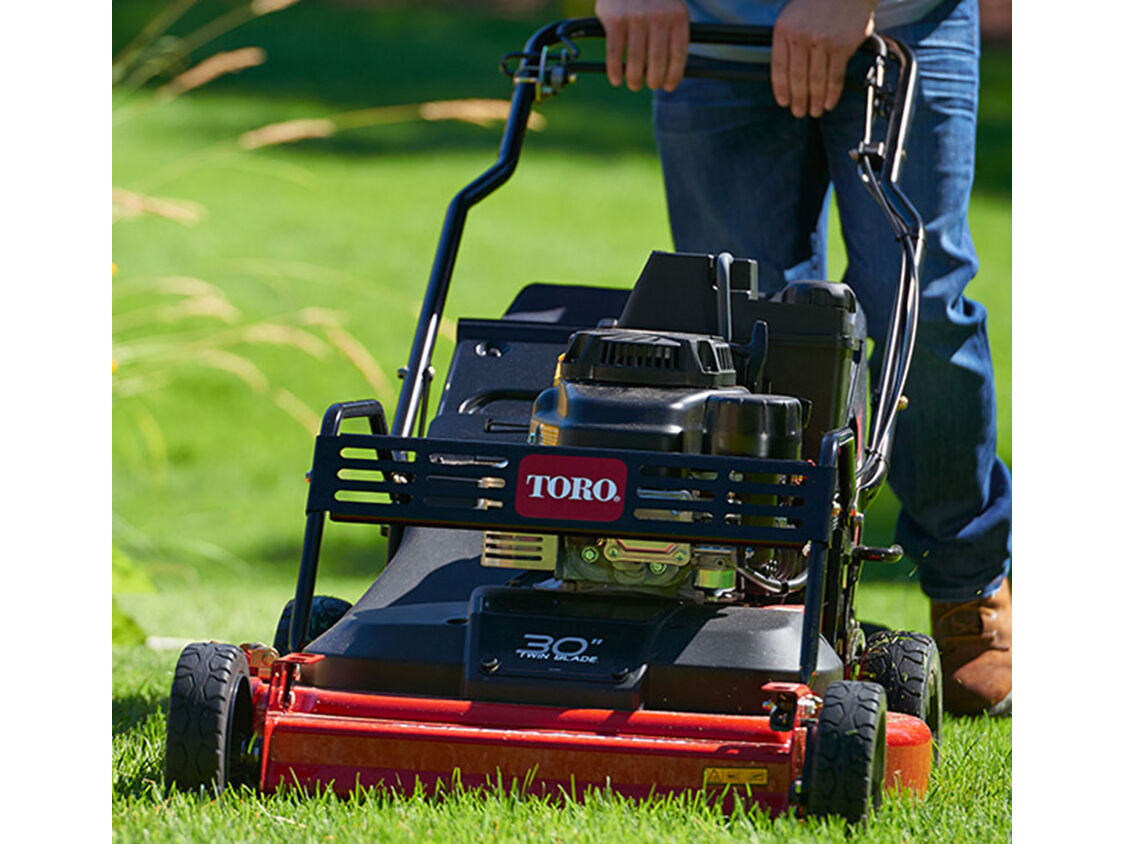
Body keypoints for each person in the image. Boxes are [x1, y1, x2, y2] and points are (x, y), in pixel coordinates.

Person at [593, 0, 1011, 716]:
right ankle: (766, 595)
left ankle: (967, 581)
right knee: (735, 327)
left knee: (923, 305)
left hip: (900, 23)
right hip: (711, 27)